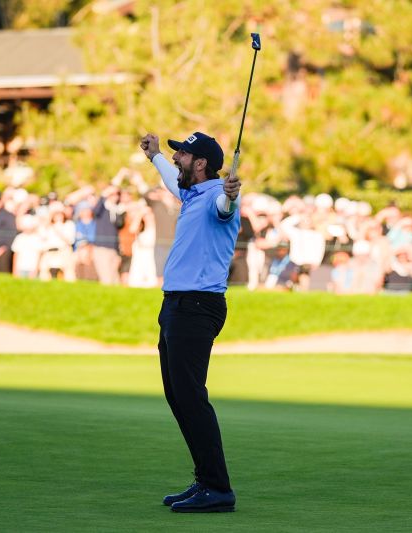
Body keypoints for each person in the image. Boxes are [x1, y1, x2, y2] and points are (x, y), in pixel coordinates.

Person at [140, 131, 239, 513]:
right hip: (177, 305)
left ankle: (218, 488)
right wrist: (154, 158)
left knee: (191, 397)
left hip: (198, 306)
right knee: (178, 396)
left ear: (200, 164)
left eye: (182, 153)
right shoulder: (191, 192)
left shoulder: (218, 196)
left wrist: (231, 193)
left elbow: (225, 207)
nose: (176, 157)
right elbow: (171, 178)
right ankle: (205, 480)